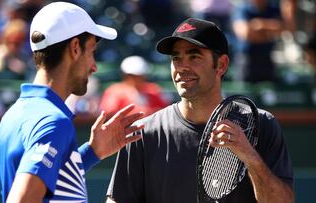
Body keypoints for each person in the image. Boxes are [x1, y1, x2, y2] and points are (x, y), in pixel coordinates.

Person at [106, 18, 294, 203]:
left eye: (194, 56)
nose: (182, 67)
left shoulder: (262, 124)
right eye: (176, 58)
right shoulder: (143, 132)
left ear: (221, 65)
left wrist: (250, 157)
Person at [0, 2, 144, 203]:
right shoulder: (54, 122)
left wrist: (92, 152)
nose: (94, 66)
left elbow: (48, 181)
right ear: (75, 48)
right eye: (91, 52)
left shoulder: (15, 114)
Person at [232, 0, 284, 83]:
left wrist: (260, 24)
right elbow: (245, 33)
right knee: (245, 92)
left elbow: (282, 28)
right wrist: (268, 34)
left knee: (268, 91)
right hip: (247, 59)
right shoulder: (243, 9)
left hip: (267, 59)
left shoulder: (273, 8)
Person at [99, 55, 168, 116]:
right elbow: (108, 114)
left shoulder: (153, 89)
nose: (137, 79)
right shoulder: (115, 91)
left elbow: (164, 111)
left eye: (140, 76)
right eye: (132, 76)